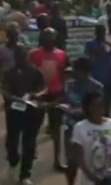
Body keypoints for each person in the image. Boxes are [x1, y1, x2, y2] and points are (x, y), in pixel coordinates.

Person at [1, 45, 46, 185]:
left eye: (23, 56)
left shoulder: (35, 72)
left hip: (31, 111)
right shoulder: (9, 73)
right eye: (18, 56)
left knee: (29, 141)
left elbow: (43, 88)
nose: (21, 59)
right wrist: (12, 97)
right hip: (14, 111)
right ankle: (13, 159)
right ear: (15, 58)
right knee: (12, 141)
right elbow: (4, 90)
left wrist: (35, 95)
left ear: (27, 57)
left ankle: (25, 174)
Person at [30, 28, 68, 171]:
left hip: (56, 93)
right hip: (40, 94)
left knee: (57, 129)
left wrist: (64, 93)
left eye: (52, 38)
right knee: (34, 126)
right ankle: (31, 152)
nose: (50, 41)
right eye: (47, 38)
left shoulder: (61, 54)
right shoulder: (34, 55)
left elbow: (63, 74)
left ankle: (57, 160)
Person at [63, 58, 104, 185]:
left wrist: (83, 112)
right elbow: (67, 101)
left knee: (93, 160)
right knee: (72, 162)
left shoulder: (97, 87)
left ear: (85, 71)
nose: (74, 72)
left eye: (76, 70)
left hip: (90, 128)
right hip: (71, 126)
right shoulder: (70, 85)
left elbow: (99, 108)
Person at [71, 90, 111, 185]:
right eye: (95, 106)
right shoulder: (80, 127)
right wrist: (91, 177)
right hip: (90, 180)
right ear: (88, 108)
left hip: (110, 177)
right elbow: (79, 157)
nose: (99, 109)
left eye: (101, 105)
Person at [85, 25, 111, 115]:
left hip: (108, 78)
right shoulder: (90, 44)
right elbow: (91, 57)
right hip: (96, 77)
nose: (101, 34)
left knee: (107, 103)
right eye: (100, 32)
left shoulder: (108, 44)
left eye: (103, 32)